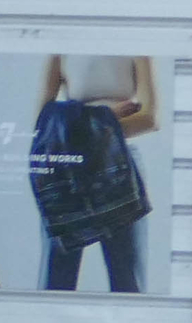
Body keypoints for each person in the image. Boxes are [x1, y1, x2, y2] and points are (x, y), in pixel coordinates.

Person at [31, 54, 158, 293]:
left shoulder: (138, 47)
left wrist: (81, 127)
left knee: (129, 284)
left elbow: (150, 119)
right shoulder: (60, 48)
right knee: (54, 283)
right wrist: (105, 119)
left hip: (119, 164)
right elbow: (42, 123)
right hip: (68, 167)